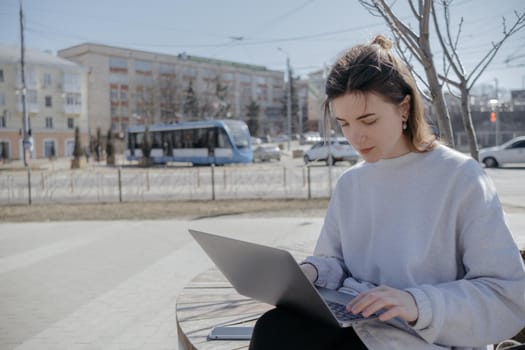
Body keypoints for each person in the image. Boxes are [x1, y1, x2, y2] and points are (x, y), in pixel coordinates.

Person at [249, 35, 525, 350]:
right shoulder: (352, 183)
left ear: (404, 107)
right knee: (274, 328)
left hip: (426, 338)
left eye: (368, 120)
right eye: (344, 124)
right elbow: (336, 262)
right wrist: (313, 272)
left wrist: (416, 303)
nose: (355, 136)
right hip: (360, 324)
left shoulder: (460, 176)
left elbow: (506, 295)